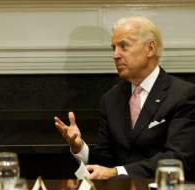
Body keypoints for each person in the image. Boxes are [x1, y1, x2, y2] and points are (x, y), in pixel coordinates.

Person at [55, 16, 195, 181]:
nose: (115, 55)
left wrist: (117, 172)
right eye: (113, 47)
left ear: (150, 49)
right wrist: (79, 147)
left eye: (123, 46)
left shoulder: (183, 94)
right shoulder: (111, 99)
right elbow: (104, 160)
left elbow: (177, 159)